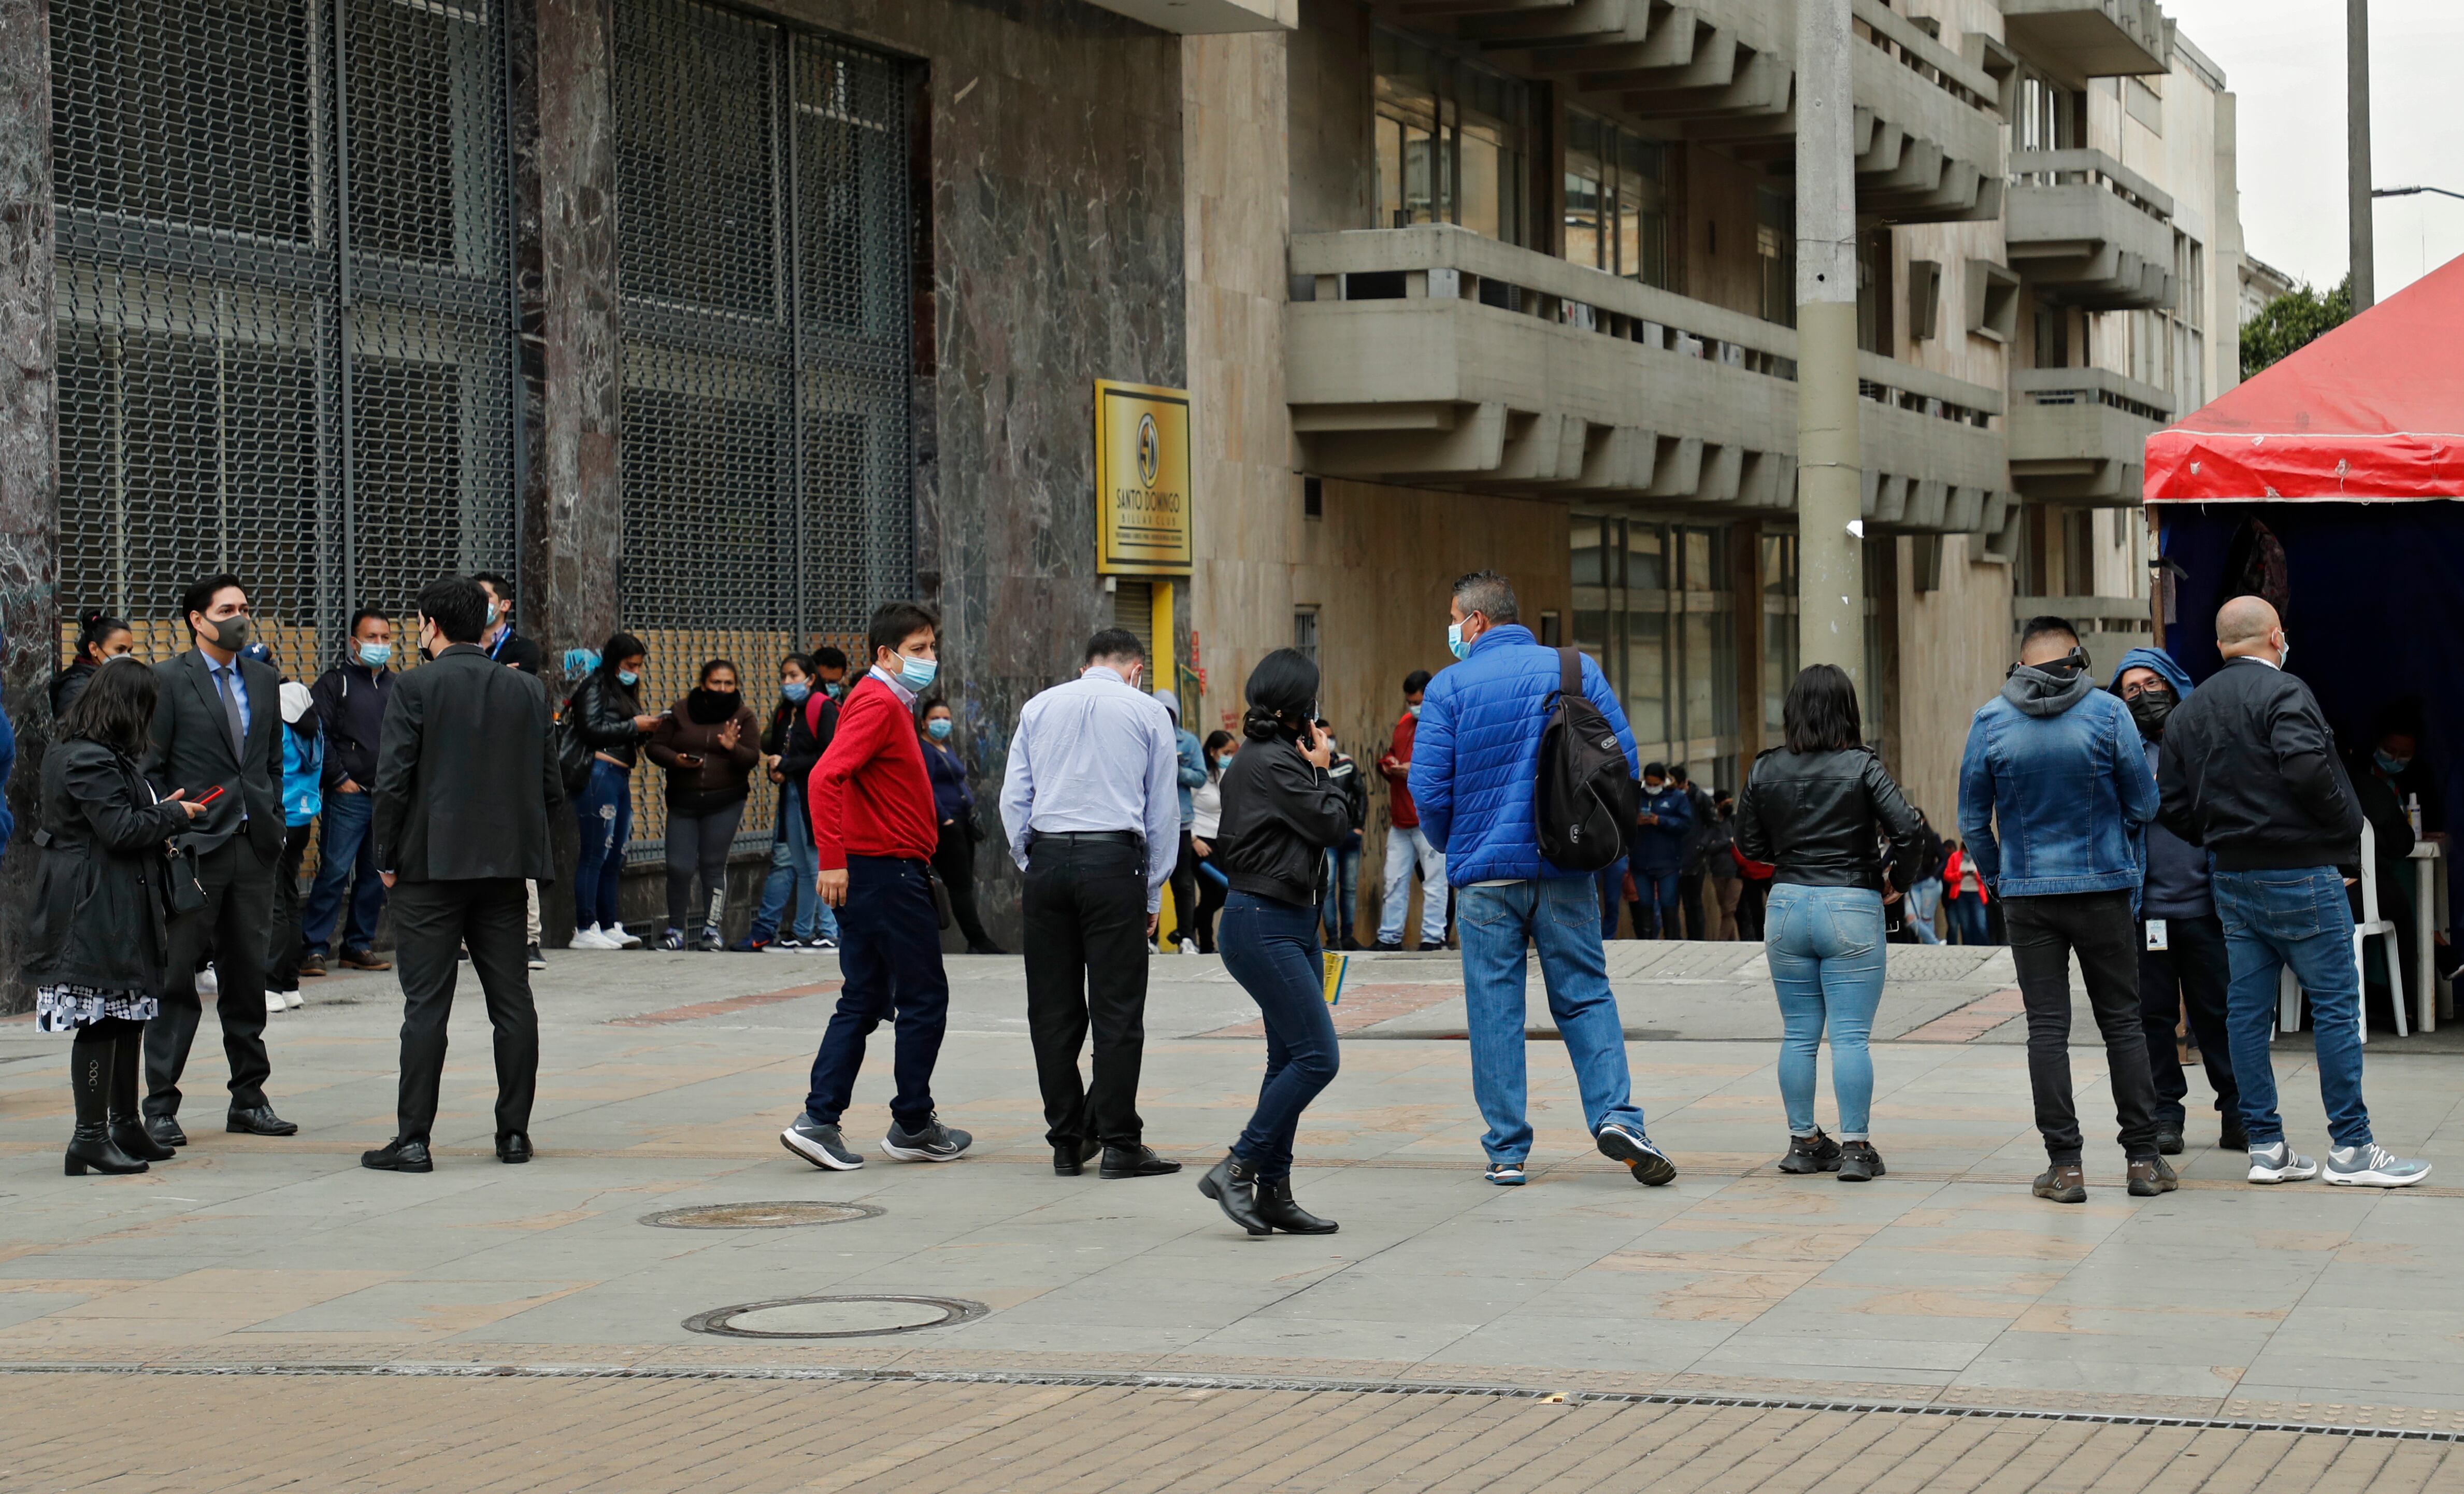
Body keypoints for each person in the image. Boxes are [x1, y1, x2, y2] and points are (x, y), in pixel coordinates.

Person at [1411, 570, 1673, 1188]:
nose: (1451, 630)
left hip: (1484, 883)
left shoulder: (1449, 687)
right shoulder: (1576, 671)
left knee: (1494, 1009)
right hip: (1565, 869)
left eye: (1454, 619)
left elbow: (1427, 787)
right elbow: (1623, 763)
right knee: (1584, 995)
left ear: (1475, 622)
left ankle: (1507, 1150)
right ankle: (1616, 1116)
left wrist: (1460, 848)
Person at [2158, 595, 2429, 1188]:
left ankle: (2266, 1147)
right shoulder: (2286, 694)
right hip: (2300, 872)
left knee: (2246, 1013)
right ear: (2276, 636)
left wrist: (2217, 838)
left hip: (2229, 875)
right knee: (2335, 1005)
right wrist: (2340, 833)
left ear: (2220, 643)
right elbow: (2309, 771)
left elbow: (2171, 805)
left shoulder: (2188, 711)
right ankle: (2352, 1148)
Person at [1959, 616, 2167, 1205]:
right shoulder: (2108, 714)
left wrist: (2002, 880)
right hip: (2103, 888)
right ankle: (2144, 1162)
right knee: (2123, 1022)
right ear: (2076, 657)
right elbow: (2146, 802)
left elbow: (1973, 821)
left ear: (2021, 664)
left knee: (2046, 1029)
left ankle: (2065, 1167)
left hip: (2028, 895)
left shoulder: (1991, 720)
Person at [361, 576, 560, 1174]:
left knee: (426, 1006)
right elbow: (549, 785)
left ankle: (415, 1138)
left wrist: (385, 859)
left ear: (431, 625)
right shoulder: (526, 689)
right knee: (513, 1002)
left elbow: (393, 780)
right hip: (503, 868)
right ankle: (514, 1134)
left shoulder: (416, 686)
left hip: (429, 867)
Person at [785, 600, 972, 1170]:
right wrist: (833, 860)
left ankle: (819, 1119)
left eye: (931, 648)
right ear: (884, 655)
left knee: (865, 996)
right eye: (917, 650)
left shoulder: (889, 701)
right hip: (883, 871)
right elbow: (825, 775)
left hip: (881, 869)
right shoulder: (876, 699)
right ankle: (912, 1121)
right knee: (922, 997)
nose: (929, 659)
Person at [998, 628, 1181, 1180]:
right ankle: (1120, 1143)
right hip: (1113, 863)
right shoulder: (1148, 713)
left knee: (1051, 1011)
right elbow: (1162, 813)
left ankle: (1065, 1140)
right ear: (1136, 669)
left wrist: (1034, 864)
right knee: (1117, 1010)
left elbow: (1014, 799)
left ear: (1087, 666)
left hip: (1048, 863)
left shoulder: (1038, 707)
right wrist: (1152, 888)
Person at [1740, 665, 1923, 1183]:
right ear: (1848, 710)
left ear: (1791, 710)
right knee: (1849, 1037)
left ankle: (1802, 1143)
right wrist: (1898, 881)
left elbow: (1749, 846)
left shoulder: (1764, 768)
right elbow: (1908, 829)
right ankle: (1856, 1149)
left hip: (1787, 904)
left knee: (1798, 1034)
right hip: (1850, 903)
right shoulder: (1862, 766)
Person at [29, 658, 207, 1174]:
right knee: (102, 1019)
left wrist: (160, 807)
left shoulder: (101, 755)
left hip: (113, 898)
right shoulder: (87, 758)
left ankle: (125, 1123)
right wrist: (175, 814)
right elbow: (120, 830)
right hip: (91, 903)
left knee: (128, 1015)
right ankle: (89, 1136)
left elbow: (124, 819)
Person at [1198, 649, 1353, 1235]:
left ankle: (1272, 1191)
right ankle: (1237, 1168)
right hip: (1263, 923)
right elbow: (1335, 825)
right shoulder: (1274, 765)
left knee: (1287, 1058)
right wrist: (1325, 767)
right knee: (1319, 1057)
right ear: (1297, 710)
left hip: (1289, 921)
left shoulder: (1267, 759)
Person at [139, 574, 296, 1146]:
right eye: (227, 609)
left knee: (247, 975)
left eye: (245, 608)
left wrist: (272, 818)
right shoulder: (168, 681)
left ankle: (249, 1098)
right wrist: (170, 829)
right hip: (193, 849)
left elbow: (272, 762)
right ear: (197, 620)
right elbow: (149, 769)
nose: (240, 617)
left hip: (254, 847)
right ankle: (159, 1104)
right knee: (177, 978)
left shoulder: (261, 676)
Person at [2110, 647, 2242, 1155]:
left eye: (2152, 683)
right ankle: (2165, 1114)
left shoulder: (2208, 742)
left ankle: (2238, 1111)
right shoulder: (2119, 754)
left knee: (2220, 1013)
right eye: (2132, 690)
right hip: (2147, 914)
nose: (2145, 696)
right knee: (2153, 1018)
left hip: (2209, 908)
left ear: (2173, 682)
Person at [300, 609, 397, 978]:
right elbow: (317, 733)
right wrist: (339, 777)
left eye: (385, 637)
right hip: (349, 795)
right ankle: (313, 948)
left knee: (376, 874)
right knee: (336, 870)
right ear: (354, 642)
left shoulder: (396, 686)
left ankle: (358, 945)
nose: (380, 645)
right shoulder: (333, 683)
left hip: (385, 796)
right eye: (372, 638)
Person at [646, 659, 760, 951]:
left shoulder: (742, 716)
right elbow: (655, 747)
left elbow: (751, 759)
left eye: (729, 684)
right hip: (683, 802)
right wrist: (676, 760)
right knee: (678, 866)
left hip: (725, 801)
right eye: (716, 683)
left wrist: (733, 749)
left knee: (712, 864)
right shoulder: (680, 711)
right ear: (703, 684)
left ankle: (711, 930)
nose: (723, 689)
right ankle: (675, 930)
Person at [565, 635, 660, 950]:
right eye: (629, 665)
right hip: (599, 773)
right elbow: (589, 729)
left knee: (615, 853)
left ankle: (608, 923)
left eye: (638, 666)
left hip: (619, 774)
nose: (634, 671)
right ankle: (585, 925)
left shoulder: (624, 690)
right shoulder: (595, 686)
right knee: (595, 852)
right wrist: (635, 726)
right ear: (615, 660)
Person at [739, 654, 837, 953]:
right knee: (803, 866)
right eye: (783, 676)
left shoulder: (823, 707)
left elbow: (830, 755)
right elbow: (778, 750)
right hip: (793, 794)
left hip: (815, 797)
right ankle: (803, 930)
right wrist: (778, 770)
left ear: (810, 678)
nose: (787, 682)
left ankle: (829, 932)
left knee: (818, 864)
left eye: (794, 675)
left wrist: (789, 763)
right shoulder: (786, 713)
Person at [475, 571, 545, 968]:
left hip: (510, 761)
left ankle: (529, 937)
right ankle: (471, 936)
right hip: (468, 762)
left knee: (518, 853)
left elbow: (515, 694)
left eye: (485, 597)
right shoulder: (456, 643)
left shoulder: (525, 648)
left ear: (503, 605)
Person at [920, 698, 1002, 954]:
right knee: (959, 885)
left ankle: (976, 940)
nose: (941, 723)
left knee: (963, 883)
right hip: (945, 825)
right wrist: (944, 818)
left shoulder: (944, 747)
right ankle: (978, 940)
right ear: (923, 722)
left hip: (960, 822)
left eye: (946, 718)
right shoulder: (924, 749)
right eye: (935, 718)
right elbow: (925, 787)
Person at [1374, 670, 1448, 952]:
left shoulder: (1444, 724)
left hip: (1428, 817)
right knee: (1393, 881)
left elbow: (1449, 767)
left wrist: (1414, 772)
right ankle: (1389, 937)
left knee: (1434, 883)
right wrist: (1389, 764)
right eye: (1410, 702)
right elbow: (1392, 751)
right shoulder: (1405, 723)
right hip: (1401, 820)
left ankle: (1432, 938)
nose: (1413, 707)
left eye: (1417, 701)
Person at [263, 681, 323, 1014]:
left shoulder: (281, 731)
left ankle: (271, 984)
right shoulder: (313, 727)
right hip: (302, 819)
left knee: (275, 903)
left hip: (280, 817)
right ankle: (290, 984)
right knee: (288, 899)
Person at [1156, 687, 1207, 949]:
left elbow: (1200, 776)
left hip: (1181, 822)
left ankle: (1187, 938)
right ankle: (1148, 939)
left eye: (1169, 713)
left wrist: (1177, 769)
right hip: (1150, 821)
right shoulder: (1144, 736)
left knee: (1183, 883)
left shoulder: (1188, 742)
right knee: (1148, 880)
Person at [1621, 762, 1692, 940]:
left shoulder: (1676, 798)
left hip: (1667, 863)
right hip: (1640, 862)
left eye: (1656, 784)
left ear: (1663, 781)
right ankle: (1646, 941)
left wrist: (1660, 821)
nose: (1652, 788)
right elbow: (1622, 821)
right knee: (1644, 904)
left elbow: (1685, 824)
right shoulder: (1636, 796)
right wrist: (1635, 822)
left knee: (1668, 904)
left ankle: (1672, 940)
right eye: (1649, 784)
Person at [1318, 720, 1367, 950]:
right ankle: (1333, 939)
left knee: (1349, 887)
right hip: (1327, 837)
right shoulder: (1312, 766)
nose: (1330, 740)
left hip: (1349, 835)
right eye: (1324, 736)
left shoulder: (1347, 763)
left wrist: (1359, 826)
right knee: (1327, 888)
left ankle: (1348, 936)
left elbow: (1361, 793)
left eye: (1332, 735)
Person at [1189, 730, 1236, 954]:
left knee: (1224, 892)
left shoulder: (1226, 774)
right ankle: (1204, 941)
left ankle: (1192, 933)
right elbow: (1181, 808)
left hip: (1221, 842)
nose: (1230, 756)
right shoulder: (1201, 778)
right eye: (1226, 752)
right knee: (1216, 892)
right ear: (1212, 751)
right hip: (1200, 843)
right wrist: (1193, 839)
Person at [51, 609, 135, 717]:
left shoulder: (117, 679)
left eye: (129, 651)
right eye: (120, 650)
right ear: (94, 649)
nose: (127, 656)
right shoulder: (76, 688)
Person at [1671, 764, 1715, 938]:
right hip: (1673, 860)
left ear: (1683, 783)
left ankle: (1697, 939)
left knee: (1693, 904)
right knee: (1671, 905)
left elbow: (1713, 824)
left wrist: (1701, 845)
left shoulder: (1698, 798)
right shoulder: (1669, 798)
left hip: (1694, 861)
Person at [1902, 809, 1945, 945]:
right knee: (1911, 919)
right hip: (1912, 885)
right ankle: (1935, 944)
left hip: (1929, 883)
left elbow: (1944, 859)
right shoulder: (1905, 838)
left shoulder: (1933, 837)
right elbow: (1890, 855)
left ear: (1923, 820)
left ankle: (1930, 951)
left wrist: (1935, 877)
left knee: (1927, 919)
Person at [1703, 790, 1741, 941]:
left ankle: (1721, 941)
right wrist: (1728, 842)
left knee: (1729, 909)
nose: (1729, 806)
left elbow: (1739, 842)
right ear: (1718, 804)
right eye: (1726, 804)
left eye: (1730, 803)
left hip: (1736, 872)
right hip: (1718, 871)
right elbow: (1708, 847)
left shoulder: (1735, 821)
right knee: (1725, 908)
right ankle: (1732, 942)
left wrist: (1720, 844)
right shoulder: (1712, 824)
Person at [1941, 838, 1992, 945]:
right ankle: (1968, 947)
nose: (1967, 854)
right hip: (1961, 895)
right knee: (1965, 925)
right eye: (1965, 851)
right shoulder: (1955, 857)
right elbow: (1947, 875)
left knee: (1981, 924)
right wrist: (1960, 875)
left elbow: (1987, 876)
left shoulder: (1979, 856)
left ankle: (1985, 946)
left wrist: (1976, 875)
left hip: (1977, 894)